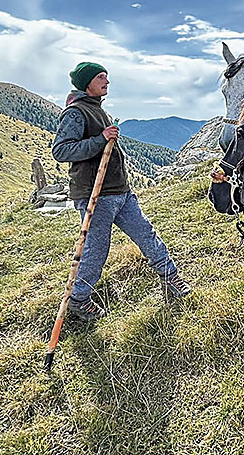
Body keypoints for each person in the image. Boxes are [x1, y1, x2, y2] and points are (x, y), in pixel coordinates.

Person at [52, 61, 191, 320]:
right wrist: (100, 139)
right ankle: (79, 299)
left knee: (146, 234)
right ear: (87, 83)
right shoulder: (75, 113)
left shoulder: (99, 110)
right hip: (95, 194)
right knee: (96, 248)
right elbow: (61, 150)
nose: (107, 81)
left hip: (121, 191)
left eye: (107, 76)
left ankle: (171, 278)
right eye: (101, 77)